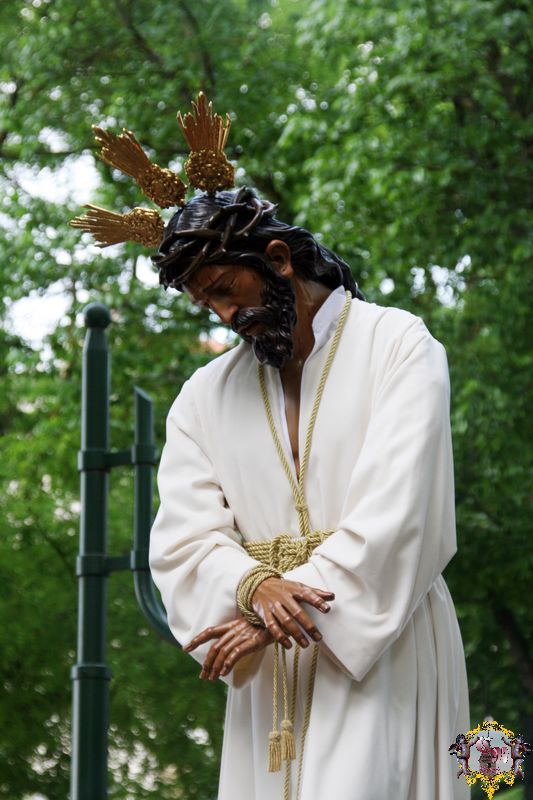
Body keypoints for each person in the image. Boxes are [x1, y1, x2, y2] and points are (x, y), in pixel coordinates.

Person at [71, 94, 471, 800]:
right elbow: (185, 537)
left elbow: (401, 509)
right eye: (208, 304)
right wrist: (253, 590)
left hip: (382, 644)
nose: (227, 315)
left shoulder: (397, 346)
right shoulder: (204, 396)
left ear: (278, 259)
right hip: (267, 672)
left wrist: (283, 611)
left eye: (228, 289)